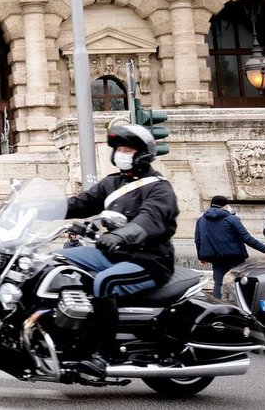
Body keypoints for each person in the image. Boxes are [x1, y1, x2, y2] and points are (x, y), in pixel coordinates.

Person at [59, 123, 181, 377]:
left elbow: (150, 219)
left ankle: (101, 354)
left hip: (148, 261)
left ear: (143, 153)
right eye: (118, 149)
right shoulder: (112, 183)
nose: (121, 154)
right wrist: (40, 208)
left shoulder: (159, 188)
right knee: (57, 261)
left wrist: (121, 235)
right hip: (113, 255)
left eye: (127, 149)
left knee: (105, 282)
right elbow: (81, 203)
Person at [194, 195, 265, 298]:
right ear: (225, 206)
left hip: (215, 257)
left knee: (218, 283)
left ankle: (218, 306)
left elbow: (198, 240)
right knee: (240, 282)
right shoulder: (231, 218)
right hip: (234, 257)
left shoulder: (201, 220)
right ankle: (242, 307)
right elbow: (246, 238)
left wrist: (201, 257)